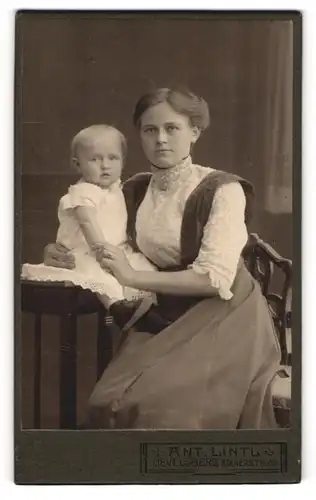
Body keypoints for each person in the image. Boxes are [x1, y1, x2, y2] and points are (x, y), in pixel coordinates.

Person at [43, 87, 281, 429]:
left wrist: (131, 277)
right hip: (161, 310)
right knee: (106, 403)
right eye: (149, 130)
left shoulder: (223, 189)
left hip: (225, 313)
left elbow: (213, 279)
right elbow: (91, 232)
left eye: (173, 128)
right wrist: (57, 250)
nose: (161, 140)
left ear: (195, 132)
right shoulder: (133, 190)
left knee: (163, 412)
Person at [22, 124, 161, 332]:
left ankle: (147, 309)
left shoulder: (117, 189)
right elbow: (88, 222)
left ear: (123, 162)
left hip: (118, 249)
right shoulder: (83, 192)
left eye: (113, 158)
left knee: (145, 271)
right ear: (77, 165)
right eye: (95, 159)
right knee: (100, 276)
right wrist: (101, 249)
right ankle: (117, 307)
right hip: (88, 251)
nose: (105, 166)